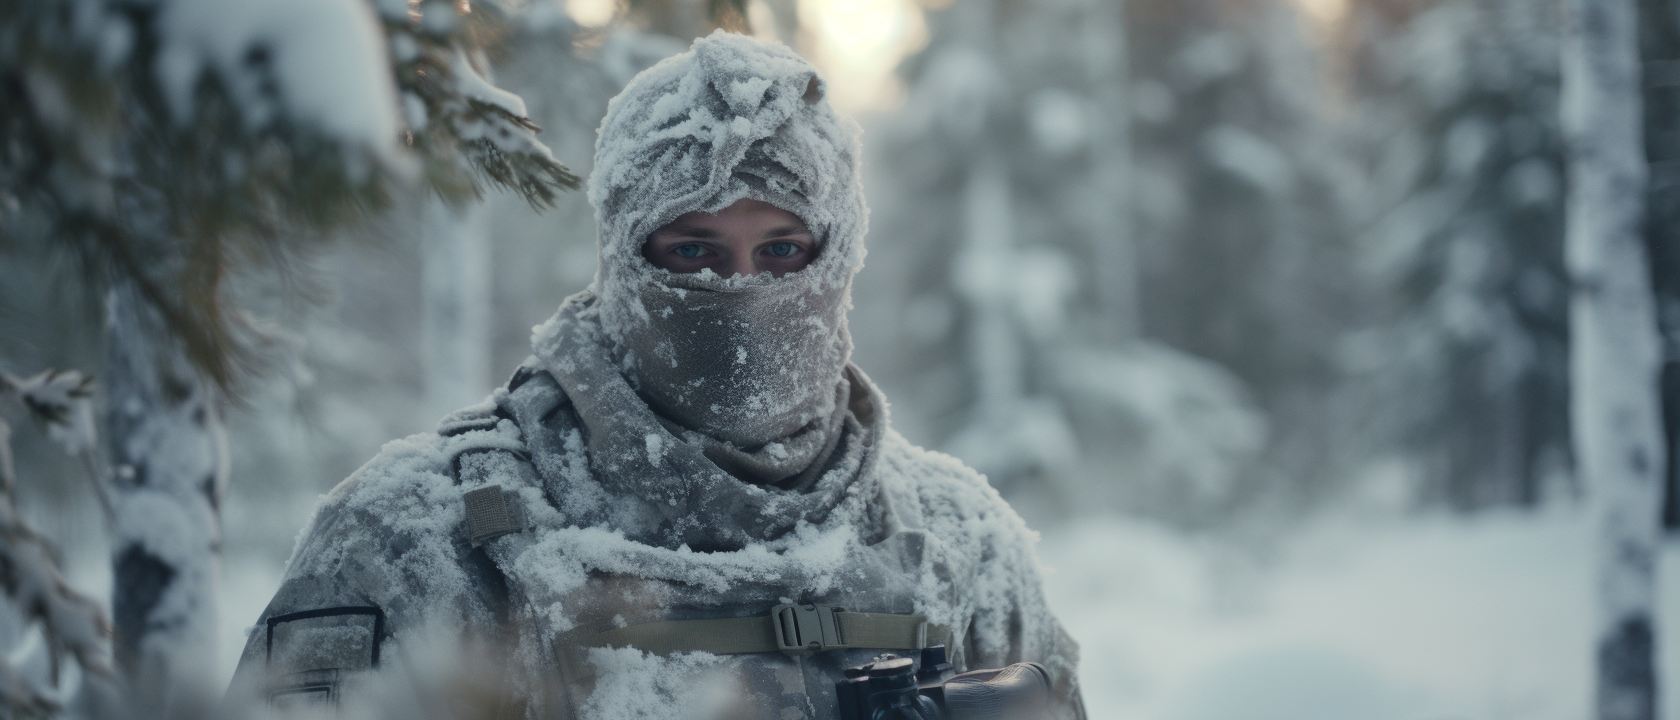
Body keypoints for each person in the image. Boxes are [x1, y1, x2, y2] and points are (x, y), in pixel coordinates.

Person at [226, 31, 1086, 720]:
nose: (742, 295)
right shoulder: (417, 538)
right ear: (622, 261)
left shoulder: (962, 545)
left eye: (783, 251)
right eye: (693, 253)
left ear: (841, 261)